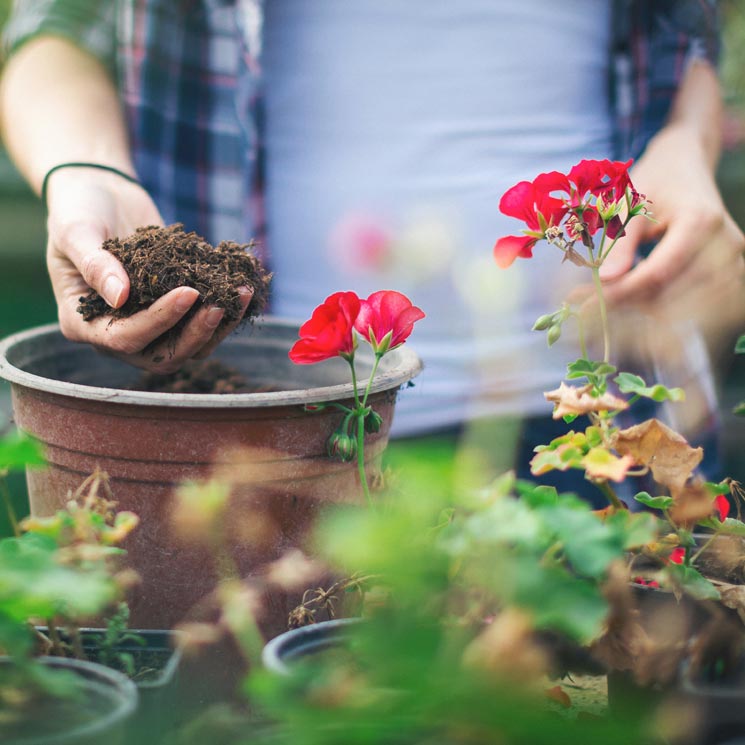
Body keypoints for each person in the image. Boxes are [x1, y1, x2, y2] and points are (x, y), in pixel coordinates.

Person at [1, 1, 743, 500]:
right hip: (277, 430)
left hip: (603, 420)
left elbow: (686, 35)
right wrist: (85, 169)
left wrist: (687, 143)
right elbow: (56, 24)